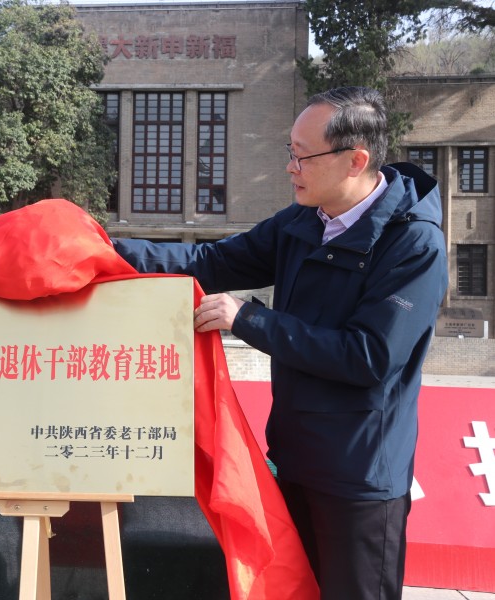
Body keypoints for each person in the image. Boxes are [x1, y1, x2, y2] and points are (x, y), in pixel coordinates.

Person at [112, 86, 447, 599]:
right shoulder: (305, 220)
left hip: (359, 478)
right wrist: (105, 248)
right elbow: (211, 263)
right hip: (294, 459)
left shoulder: (412, 242)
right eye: (289, 151)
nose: (291, 167)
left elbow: (368, 356)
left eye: (302, 156)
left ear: (355, 160)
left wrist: (248, 319)